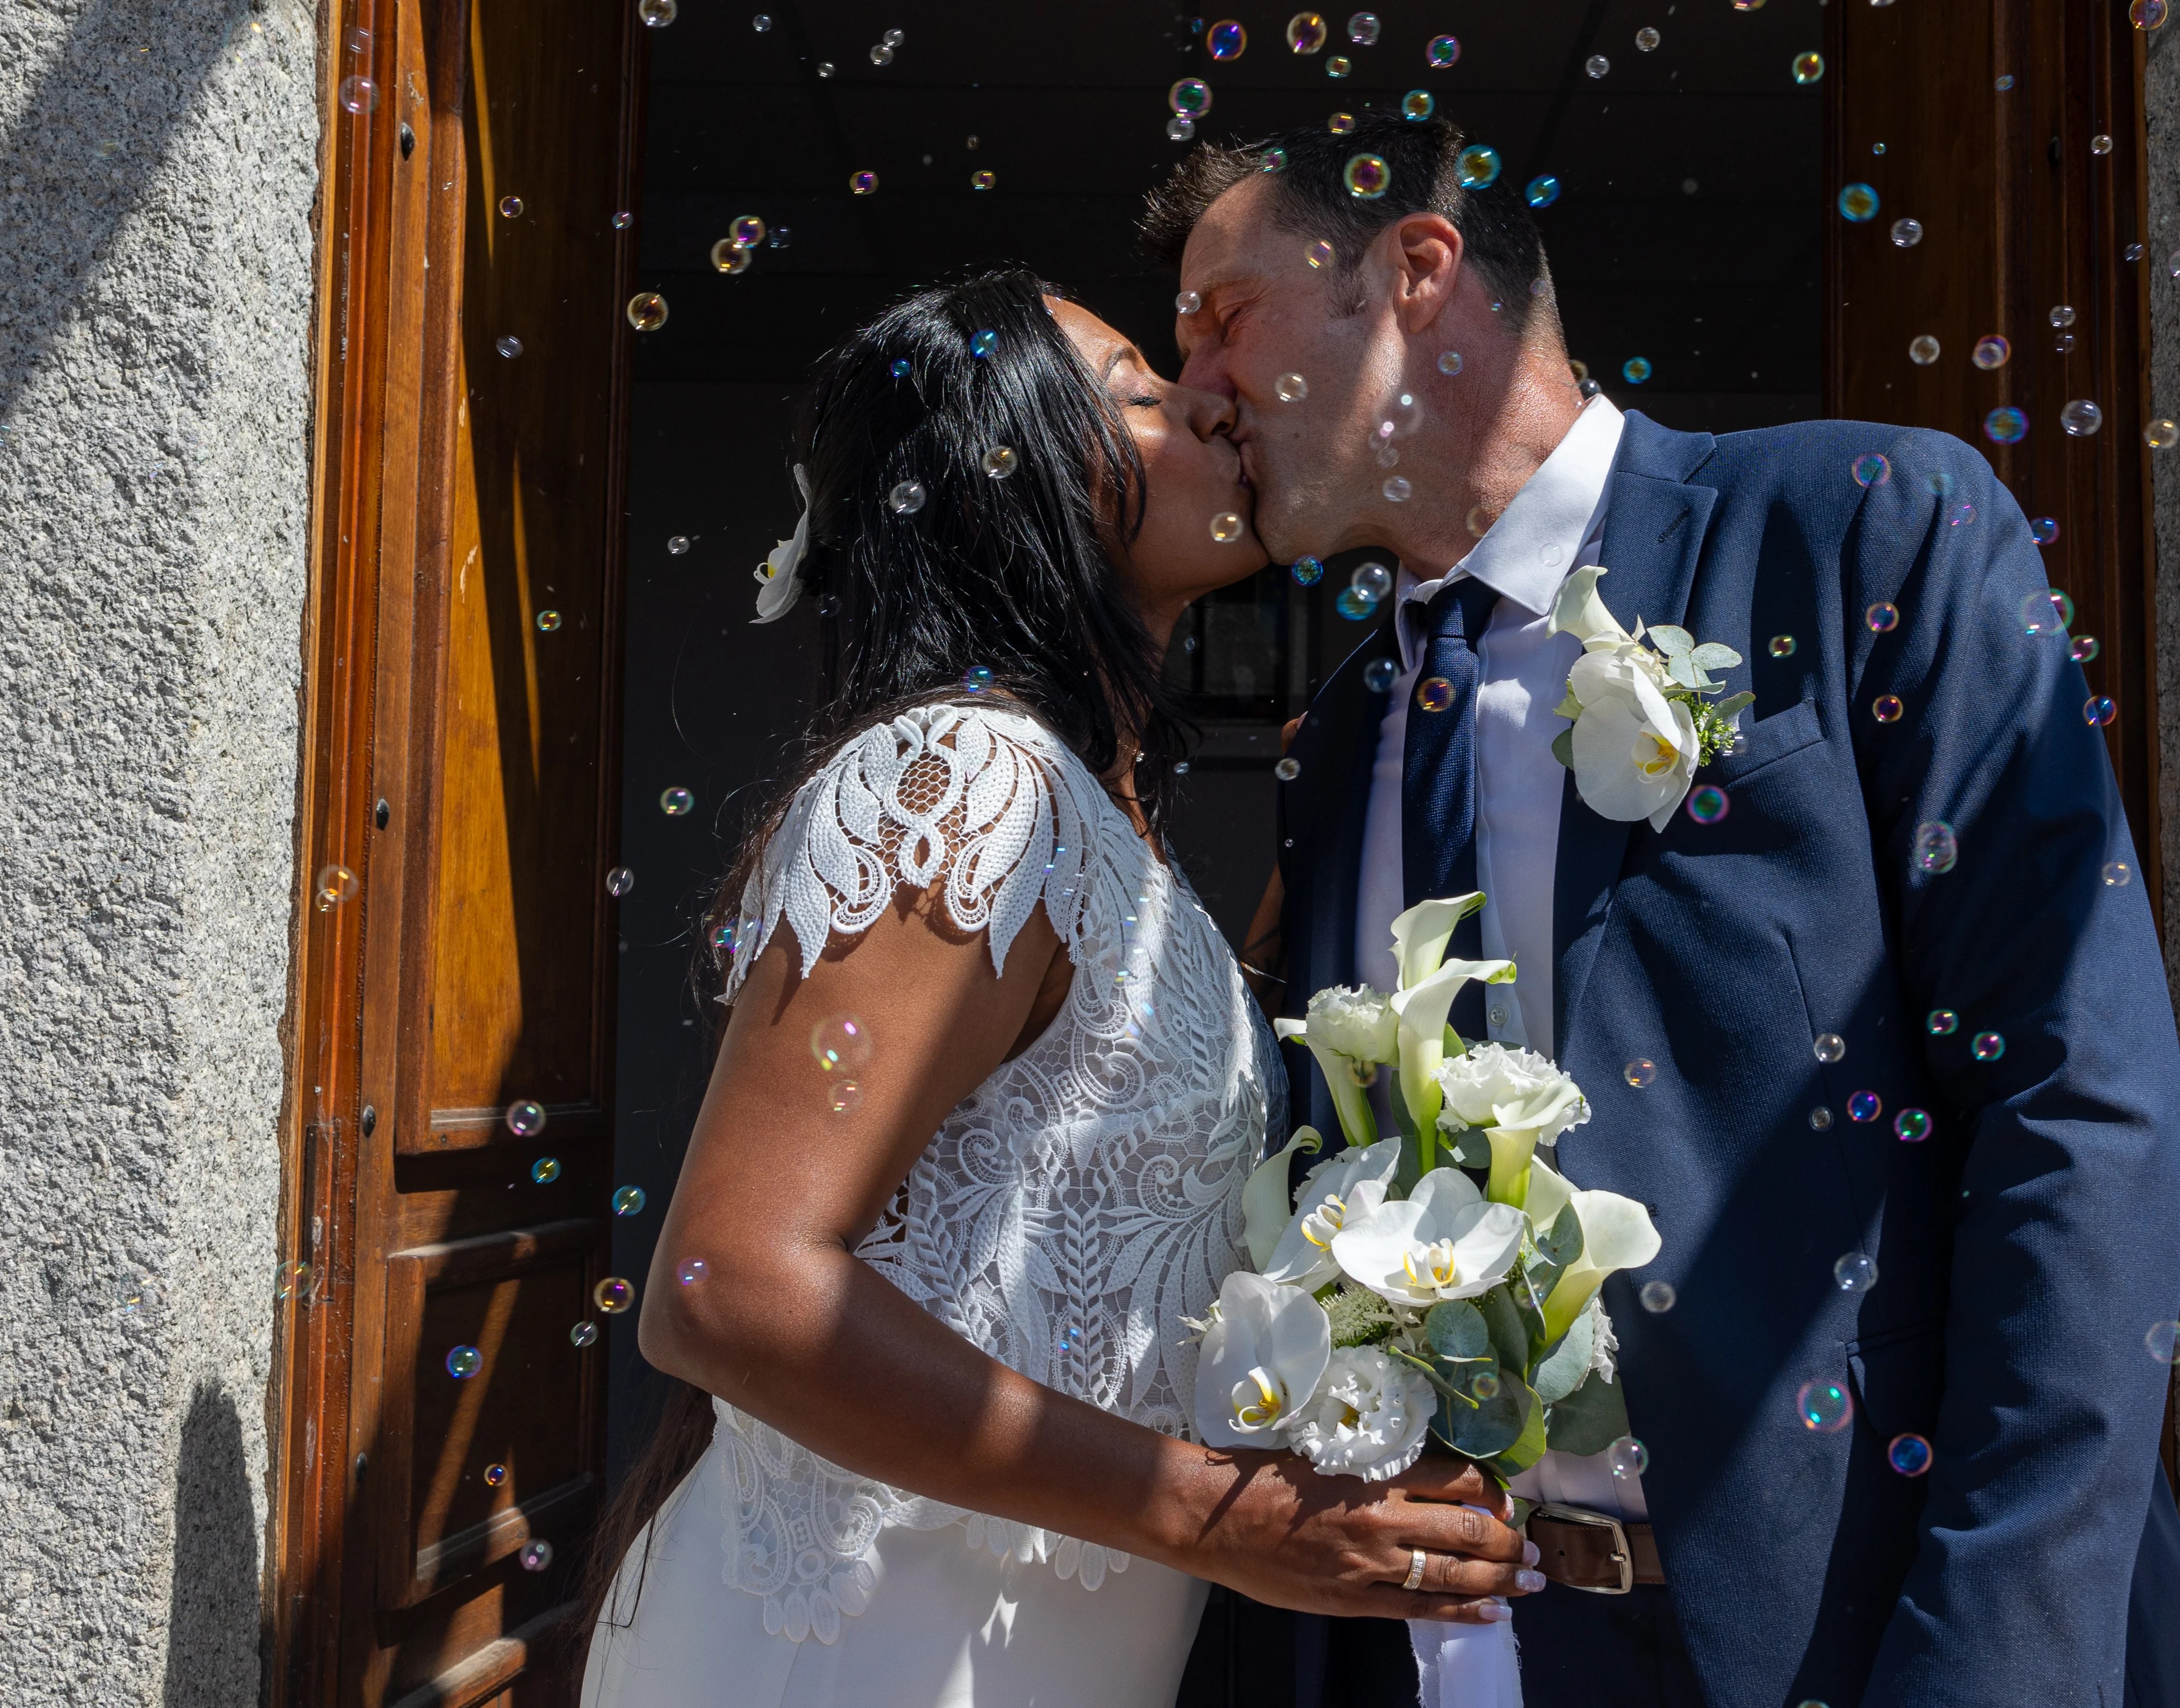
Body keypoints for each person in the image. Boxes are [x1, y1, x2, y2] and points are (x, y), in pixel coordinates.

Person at [1144, 119, 2180, 1706]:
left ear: (1415, 271)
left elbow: (2082, 1108)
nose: (1198, 387)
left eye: (1224, 316)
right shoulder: (1345, 739)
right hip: (1481, 1657)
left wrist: (1991, 1666)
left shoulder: (1858, 530)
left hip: (1876, 1629)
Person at [577, 271, 1541, 1708]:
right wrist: (1218, 1518)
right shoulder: (964, 782)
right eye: (1139, 389)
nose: (1210, 402)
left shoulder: (1098, 821)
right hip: (860, 1659)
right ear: (1008, 479)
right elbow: (728, 1290)